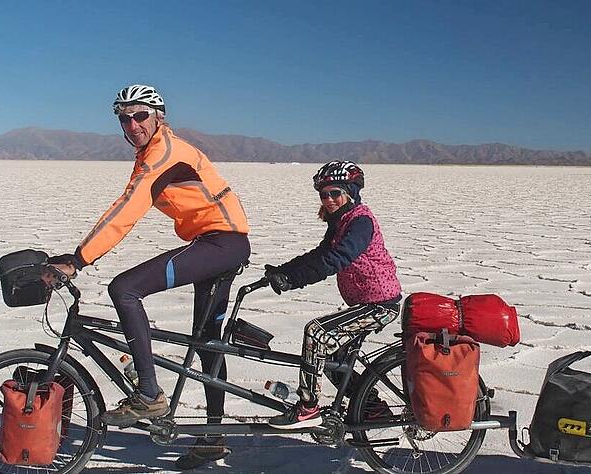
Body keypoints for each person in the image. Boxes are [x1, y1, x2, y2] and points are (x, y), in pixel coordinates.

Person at [49, 84, 249, 468]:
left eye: (140, 114)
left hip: (219, 243)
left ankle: (149, 393)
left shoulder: (162, 154)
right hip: (222, 243)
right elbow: (127, 205)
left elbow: (127, 209)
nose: (132, 123)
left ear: (159, 117)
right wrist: (76, 255)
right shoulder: (155, 152)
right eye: (124, 117)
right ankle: (213, 438)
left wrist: (79, 259)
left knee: (124, 288)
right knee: (208, 344)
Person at [263, 160, 402, 429]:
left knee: (316, 334)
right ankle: (373, 410)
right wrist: (283, 271)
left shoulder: (360, 222)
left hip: (379, 305)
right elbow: (320, 254)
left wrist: (294, 280)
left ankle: (307, 408)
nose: (328, 200)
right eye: (323, 194)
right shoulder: (340, 223)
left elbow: (338, 258)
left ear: (350, 192)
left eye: (335, 193)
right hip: (365, 302)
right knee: (333, 360)